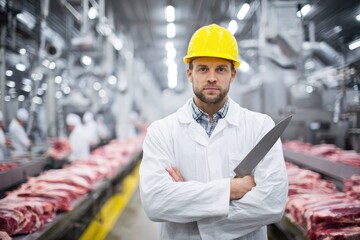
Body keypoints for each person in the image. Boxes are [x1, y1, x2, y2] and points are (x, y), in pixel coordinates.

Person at [139, 24, 288, 240]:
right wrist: (231, 189)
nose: (211, 77)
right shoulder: (161, 132)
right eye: (203, 69)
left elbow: (272, 204)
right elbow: (155, 202)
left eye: (220, 69)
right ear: (189, 73)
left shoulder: (260, 127)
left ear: (233, 74)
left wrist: (189, 203)